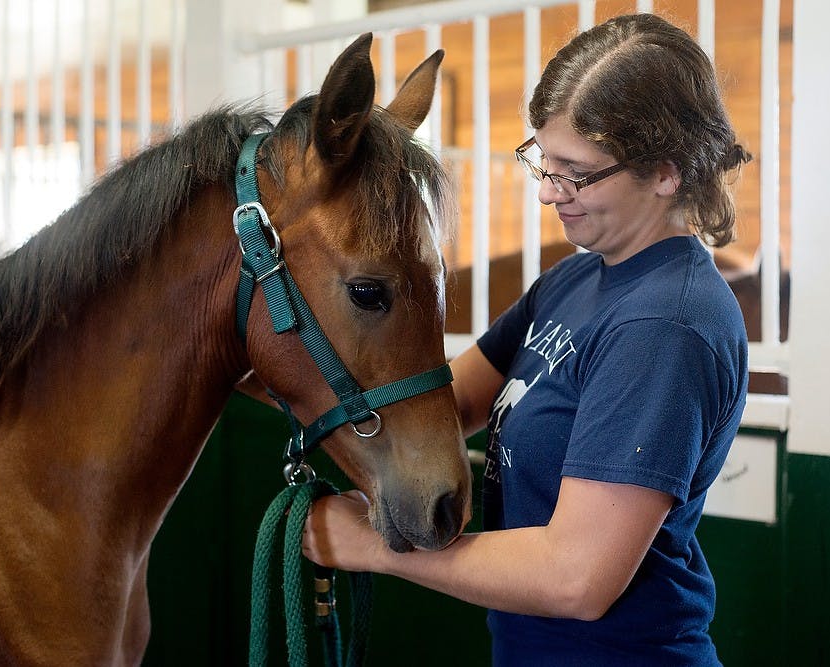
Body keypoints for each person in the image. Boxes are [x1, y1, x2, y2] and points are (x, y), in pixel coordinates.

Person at [301, 13, 751, 666]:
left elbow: (576, 575)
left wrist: (369, 545)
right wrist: (303, 376)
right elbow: (450, 402)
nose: (547, 191)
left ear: (666, 172)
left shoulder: (666, 325)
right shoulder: (575, 279)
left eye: (575, 172)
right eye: (542, 160)